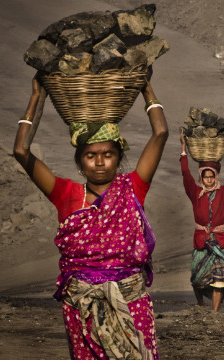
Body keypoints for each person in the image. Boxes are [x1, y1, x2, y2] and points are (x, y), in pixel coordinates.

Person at [13, 71, 168, 359]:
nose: (99, 162)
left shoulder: (132, 187)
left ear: (118, 158)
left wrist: (145, 88)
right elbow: (21, 151)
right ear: (80, 162)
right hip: (82, 305)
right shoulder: (65, 193)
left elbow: (160, 133)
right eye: (90, 155)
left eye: (108, 154)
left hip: (129, 300)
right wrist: (37, 96)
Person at [180, 131, 224, 311]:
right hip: (201, 240)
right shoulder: (194, 193)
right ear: (201, 177)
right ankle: (200, 305)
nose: (209, 180)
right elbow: (185, 173)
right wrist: (183, 148)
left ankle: (214, 313)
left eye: (211, 176)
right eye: (205, 177)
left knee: (220, 278)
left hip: (221, 241)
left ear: (215, 176)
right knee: (197, 278)